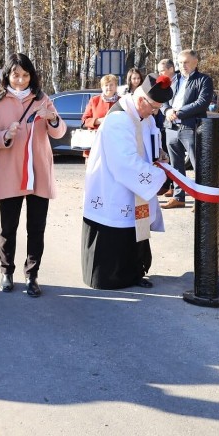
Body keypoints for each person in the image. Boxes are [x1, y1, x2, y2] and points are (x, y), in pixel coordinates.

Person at [0, 55, 66, 297]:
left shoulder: (42, 99)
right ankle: (6, 271)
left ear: (32, 76)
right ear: (7, 75)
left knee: (36, 228)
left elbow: (59, 132)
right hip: (10, 172)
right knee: (8, 227)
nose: (20, 80)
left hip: (38, 172)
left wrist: (52, 118)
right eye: (16, 75)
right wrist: (5, 135)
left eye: (25, 75)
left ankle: (32, 274)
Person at [81, 74, 173, 289]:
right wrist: (159, 177)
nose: (155, 112)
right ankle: (112, 277)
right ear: (142, 100)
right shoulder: (119, 119)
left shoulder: (144, 116)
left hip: (135, 187)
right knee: (117, 227)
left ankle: (133, 272)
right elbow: (125, 162)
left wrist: (158, 155)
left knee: (135, 227)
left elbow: (149, 142)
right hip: (114, 186)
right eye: (153, 107)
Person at [162, 50, 214, 209]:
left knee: (198, 164)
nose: (182, 66)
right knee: (176, 166)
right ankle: (179, 198)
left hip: (190, 127)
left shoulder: (204, 80)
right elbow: (163, 98)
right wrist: (167, 111)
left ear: (195, 62)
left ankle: (202, 200)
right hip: (171, 127)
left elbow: (202, 102)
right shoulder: (173, 79)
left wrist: (179, 113)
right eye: (180, 63)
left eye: (186, 62)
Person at [81, 74, 119, 158]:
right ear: (102, 87)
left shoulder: (122, 101)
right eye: (106, 85)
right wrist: (99, 121)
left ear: (116, 87)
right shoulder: (94, 100)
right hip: (96, 144)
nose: (109, 87)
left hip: (116, 144)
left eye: (111, 85)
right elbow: (84, 120)